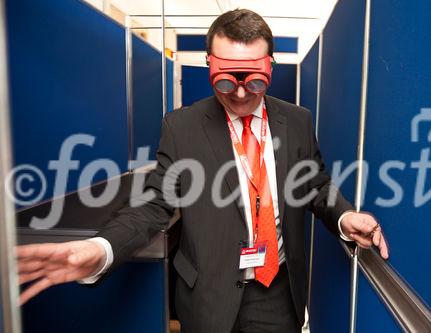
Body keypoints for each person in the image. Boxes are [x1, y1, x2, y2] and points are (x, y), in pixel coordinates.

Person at [16, 9, 389, 333]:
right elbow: (153, 205)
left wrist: (344, 216)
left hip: (279, 295)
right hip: (208, 297)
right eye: (226, 80)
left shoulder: (297, 121)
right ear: (210, 64)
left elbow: (315, 185)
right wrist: (100, 249)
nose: (240, 94)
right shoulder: (182, 127)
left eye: (254, 81)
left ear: (270, 67)